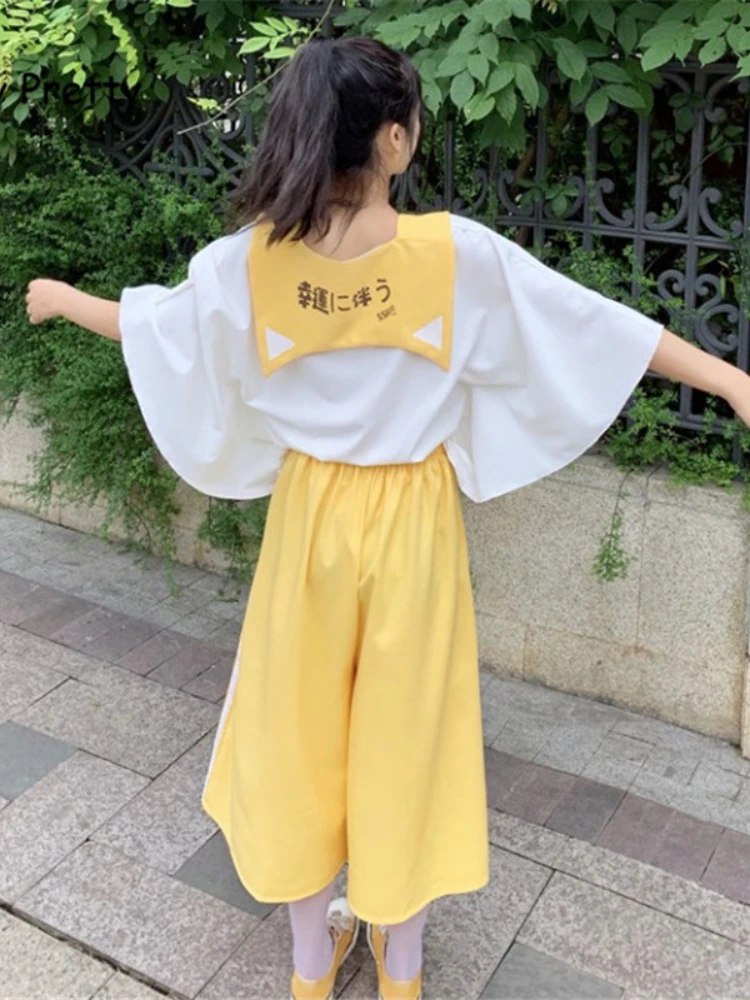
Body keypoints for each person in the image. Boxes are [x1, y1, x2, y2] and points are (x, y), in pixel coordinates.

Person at [25, 34, 750, 1000]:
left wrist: (62, 298)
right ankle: (400, 973)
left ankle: (310, 968)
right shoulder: (455, 257)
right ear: (395, 140)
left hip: (310, 521)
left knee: (295, 732)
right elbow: (594, 327)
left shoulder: (253, 264)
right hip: (413, 524)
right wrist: (730, 379)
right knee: (406, 738)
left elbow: (157, 326)